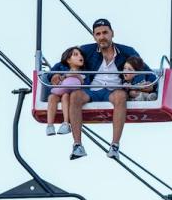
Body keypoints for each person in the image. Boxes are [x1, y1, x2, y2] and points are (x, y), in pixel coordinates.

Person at [55, 18, 142, 160]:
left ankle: (114, 145)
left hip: (113, 91)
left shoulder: (127, 51)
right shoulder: (86, 50)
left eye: (105, 33)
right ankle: (77, 145)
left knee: (120, 96)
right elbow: (65, 61)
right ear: (94, 36)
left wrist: (139, 83)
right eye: (98, 34)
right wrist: (57, 73)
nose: (102, 37)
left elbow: (142, 69)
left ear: (112, 33)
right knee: (75, 96)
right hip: (92, 90)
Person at [46, 46, 85, 136]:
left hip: (72, 94)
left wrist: (76, 76)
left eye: (81, 55)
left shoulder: (84, 71)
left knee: (66, 96)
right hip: (60, 89)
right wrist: (56, 77)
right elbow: (51, 76)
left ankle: (66, 123)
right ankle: (50, 125)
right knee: (52, 97)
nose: (80, 57)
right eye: (76, 55)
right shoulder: (61, 68)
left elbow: (85, 83)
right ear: (68, 60)